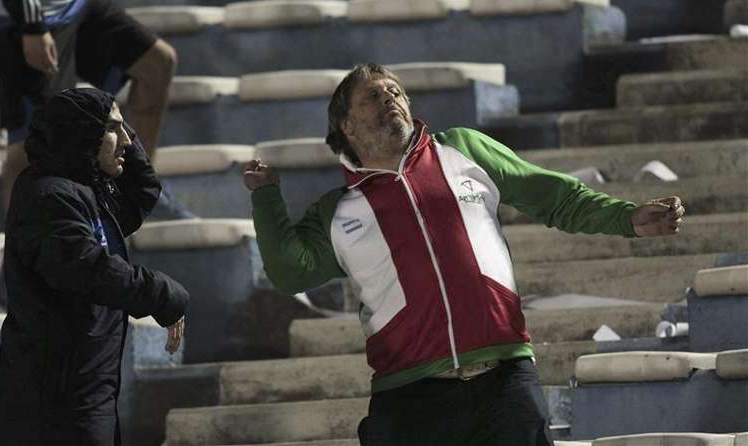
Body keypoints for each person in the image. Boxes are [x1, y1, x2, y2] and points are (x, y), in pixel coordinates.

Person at [243, 63, 685, 446]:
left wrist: (625, 217)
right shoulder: (336, 210)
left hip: (504, 380)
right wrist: (266, 199)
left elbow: (555, 197)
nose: (389, 99)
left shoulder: (464, 149)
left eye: (395, 91)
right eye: (373, 96)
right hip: (410, 396)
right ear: (347, 126)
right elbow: (289, 272)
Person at [0, 88, 189, 446]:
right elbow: (85, 267)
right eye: (113, 130)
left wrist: (114, 118)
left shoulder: (86, 193)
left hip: (82, 397)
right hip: (47, 409)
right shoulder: (48, 197)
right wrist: (160, 294)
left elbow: (143, 190)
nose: (125, 141)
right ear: (82, 135)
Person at [0, 0, 176, 207]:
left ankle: (135, 196)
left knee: (156, 64)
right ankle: (21, 239)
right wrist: (31, 26)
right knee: (31, 141)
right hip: (18, 14)